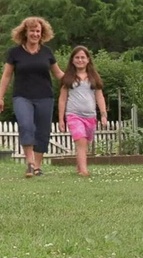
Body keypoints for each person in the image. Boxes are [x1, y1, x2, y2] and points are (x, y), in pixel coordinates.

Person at [0, 16, 64, 178]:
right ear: (25, 32)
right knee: (26, 125)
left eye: (38, 31)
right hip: (22, 97)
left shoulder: (47, 52)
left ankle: (37, 166)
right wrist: (0, 97)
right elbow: (6, 76)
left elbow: (58, 74)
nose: (35, 34)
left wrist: (80, 78)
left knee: (43, 131)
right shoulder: (14, 53)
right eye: (32, 31)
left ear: (42, 34)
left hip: (45, 97)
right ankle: (30, 163)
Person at [58, 45, 107, 177]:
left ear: (88, 60)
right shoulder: (68, 78)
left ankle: (80, 166)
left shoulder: (94, 78)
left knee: (86, 143)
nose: (80, 60)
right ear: (72, 60)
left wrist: (103, 115)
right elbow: (62, 99)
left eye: (83, 57)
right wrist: (61, 119)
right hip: (73, 115)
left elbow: (99, 97)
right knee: (81, 140)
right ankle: (84, 171)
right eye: (77, 57)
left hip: (90, 116)